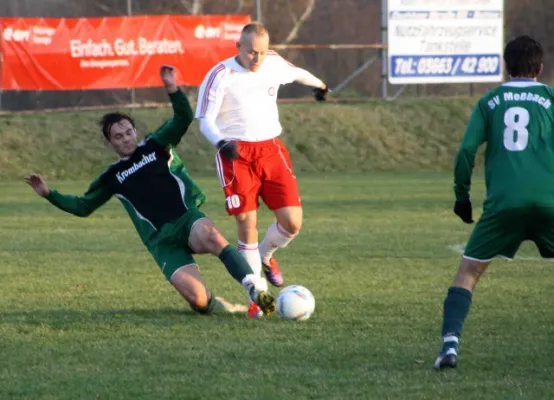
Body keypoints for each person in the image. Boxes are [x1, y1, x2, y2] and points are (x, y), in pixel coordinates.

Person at [25, 65, 275, 318]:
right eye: (118, 136)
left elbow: (183, 118)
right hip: (161, 241)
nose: (125, 138)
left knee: (212, 236)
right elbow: (82, 206)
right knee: (198, 300)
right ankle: (227, 307)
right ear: (110, 142)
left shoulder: (156, 144)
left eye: (128, 132)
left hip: (186, 219)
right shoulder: (112, 177)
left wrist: (172, 88)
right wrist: (49, 194)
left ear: (135, 131)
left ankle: (254, 288)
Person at [434, 35, 554, 369]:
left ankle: (449, 347)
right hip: (550, 202)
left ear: (507, 66)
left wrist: (462, 196)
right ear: (540, 68)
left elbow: (466, 152)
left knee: (469, 272)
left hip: (503, 205)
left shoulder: (489, 102)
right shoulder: (551, 98)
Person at [195, 22, 328, 315]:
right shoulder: (220, 75)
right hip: (235, 152)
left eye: (263, 52)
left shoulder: (274, 64)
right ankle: (258, 297)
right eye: (252, 52)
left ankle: (267, 256)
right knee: (246, 222)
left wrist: (320, 85)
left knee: (292, 223)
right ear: (239, 48)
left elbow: (297, 73)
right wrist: (221, 143)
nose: (258, 59)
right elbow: (205, 119)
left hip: (271, 150)